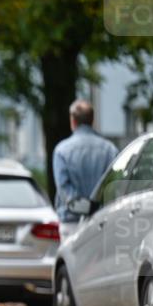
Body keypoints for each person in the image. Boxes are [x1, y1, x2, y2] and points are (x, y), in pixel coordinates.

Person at [52, 99, 119, 239]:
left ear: (73, 121)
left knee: (70, 260)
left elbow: (64, 189)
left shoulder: (61, 151)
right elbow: (114, 187)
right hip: (101, 222)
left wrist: (82, 206)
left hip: (71, 223)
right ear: (92, 120)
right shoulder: (110, 150)